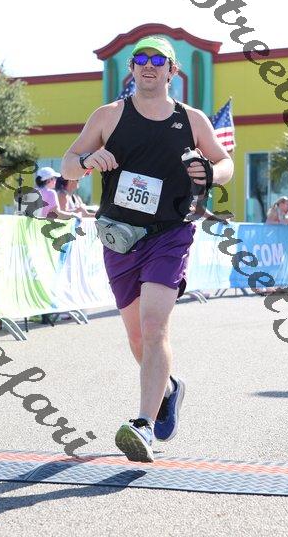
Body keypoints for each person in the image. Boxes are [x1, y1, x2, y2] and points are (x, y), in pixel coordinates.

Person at [61, 35, 234, 463]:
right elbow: (67, 163)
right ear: (132, 68)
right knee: (137, 335)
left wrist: (210, 172)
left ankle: (143, 424)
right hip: (120, 236)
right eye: (142, 58)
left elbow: (226, 163)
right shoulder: (109, 115)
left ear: (173, 71)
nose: (149, 65)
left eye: (159, 60)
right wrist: (87, 162)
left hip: (170, 232)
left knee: (154, 326)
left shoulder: (191, 120)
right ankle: (169, 388)